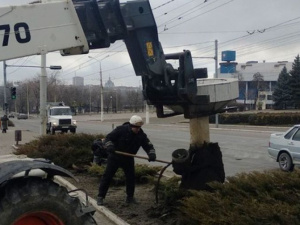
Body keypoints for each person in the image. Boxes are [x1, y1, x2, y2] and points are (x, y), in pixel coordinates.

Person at [97, 115, 156, 206]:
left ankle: (130, 198)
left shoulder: (141, 135)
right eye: (136, 127)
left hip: (128, 158)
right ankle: (100, 197)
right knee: (107, 177)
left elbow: (148, 145)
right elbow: (108, 138)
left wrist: (151, 154)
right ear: (131, 125)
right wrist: (110, 146)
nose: (137, 129)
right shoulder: (120, 130)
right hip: (115, 157)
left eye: (139, 127)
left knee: (131, 178)